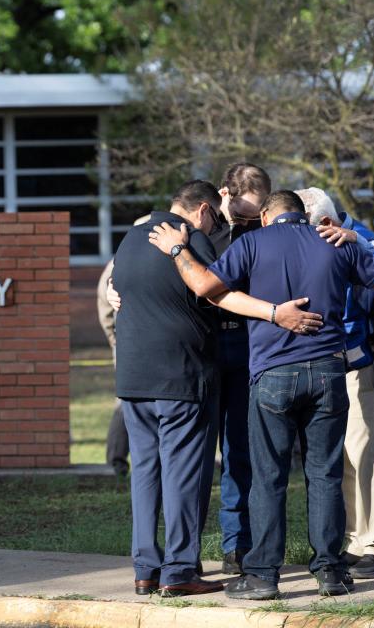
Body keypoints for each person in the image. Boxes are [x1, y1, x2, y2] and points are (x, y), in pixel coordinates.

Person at [147, 190, 374, 600]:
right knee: (325, 474)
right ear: (303, 216)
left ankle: (264, 575)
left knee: (268, 477)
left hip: (272, 375)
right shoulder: (334, 241)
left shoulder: (251, 242)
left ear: (266, 217)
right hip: (328, 373)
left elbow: (203, 285)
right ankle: (331, 572)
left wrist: (177, 247)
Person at [113, 181, 321, 597]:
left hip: (132, 378)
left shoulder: (129, 239)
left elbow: (119, 292)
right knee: (184, 474)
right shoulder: (190, 240)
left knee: (145, 474)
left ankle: (144, 568)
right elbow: (218, 291)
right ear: (204, 210)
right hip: (181, 376)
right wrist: (274, 313)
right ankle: (180, 570)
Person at [296, 187, 374, 579]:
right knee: (342, 456)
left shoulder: (361, 241)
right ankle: (357, 541)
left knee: (368, 450)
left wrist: (360, 244)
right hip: (331, 362)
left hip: (362, 361)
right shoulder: (334, 236)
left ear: (324, 223)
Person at [206, 163, 272, 575]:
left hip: (250, 344)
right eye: (242, 215)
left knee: (240, 450)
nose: (248, 223)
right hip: (205, 346)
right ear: (222, 195)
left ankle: (237, 544)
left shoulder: (265, 230)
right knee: (195, 453)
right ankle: (182, 552)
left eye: (255, 216)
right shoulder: (198, 230)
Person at [96, 258, 130, 477]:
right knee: (124, 403)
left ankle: (115, 461)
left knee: (125, 401)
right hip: (127, 341)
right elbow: (104, 300)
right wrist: (114, 339)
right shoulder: (121, 260)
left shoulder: (122, 257)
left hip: (125, 339)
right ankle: (115, 460)